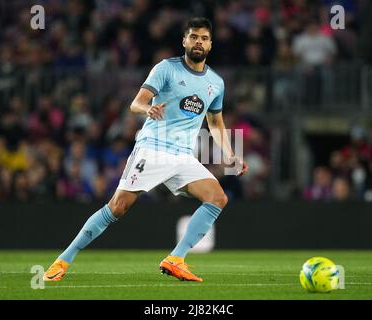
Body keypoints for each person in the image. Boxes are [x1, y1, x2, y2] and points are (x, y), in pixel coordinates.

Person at [43, 17, 249, 283]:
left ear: (211, 44)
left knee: (217, 198)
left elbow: (215, 122)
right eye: (194, 37)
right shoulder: (166, 69)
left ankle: (175, 259)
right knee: (118, 207)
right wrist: (147, 108)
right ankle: (63, 260)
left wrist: (230, 155)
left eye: (204, 38)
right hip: (153, 148)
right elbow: (136, 103)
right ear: (184, 41)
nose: (199, 42)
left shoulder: (216, 83)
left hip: (183, 156)